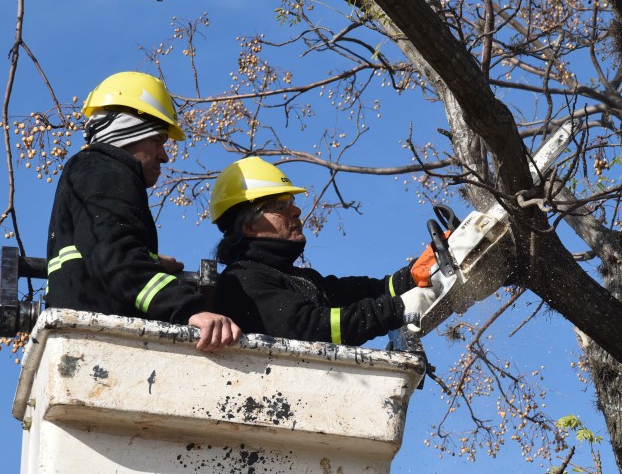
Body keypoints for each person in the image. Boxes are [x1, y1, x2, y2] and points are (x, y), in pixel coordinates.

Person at [45, 71, 241, 352]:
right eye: (158, 141)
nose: (165, 155)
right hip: (102, 343)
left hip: (90, 339)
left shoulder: (90, 171)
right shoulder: (107, 170)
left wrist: (148, 261)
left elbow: (100, 251)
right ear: (129, 130)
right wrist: (189, 310)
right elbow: (115, 256)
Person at [208, 156, 440, 346]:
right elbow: (309, 328)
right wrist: (399, 309)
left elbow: (371, 291)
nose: (297, 210)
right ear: (248, 226)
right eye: (280, 206)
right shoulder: (241, 280)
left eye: (291, 202)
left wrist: (421, 270)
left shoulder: (301, 279)